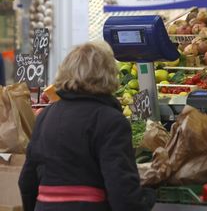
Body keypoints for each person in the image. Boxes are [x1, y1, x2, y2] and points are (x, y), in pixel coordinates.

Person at [18, 40, 156, 211]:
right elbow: (121, 188)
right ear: (109, 73)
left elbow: (26, 181)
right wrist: (146, 200)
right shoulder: (111, 121)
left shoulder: (45, 116)